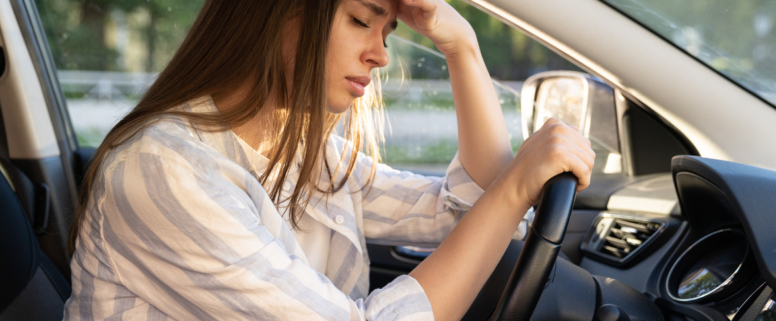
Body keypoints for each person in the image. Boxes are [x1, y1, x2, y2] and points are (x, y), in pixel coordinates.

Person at [62, 0, 595, 319]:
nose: (381, 55)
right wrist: (514, 185)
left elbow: (468, 212)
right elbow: (496, 201)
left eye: (387, 33)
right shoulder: (160, 170)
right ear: (281, 15)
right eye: (362, 20)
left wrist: (462, 46)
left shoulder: (304, 153)